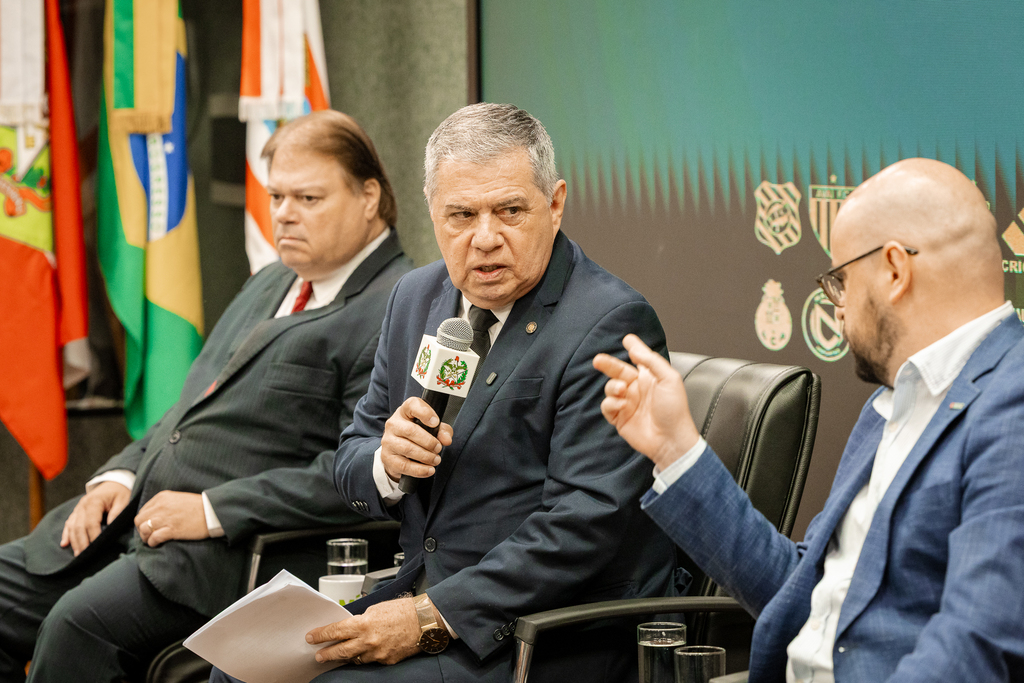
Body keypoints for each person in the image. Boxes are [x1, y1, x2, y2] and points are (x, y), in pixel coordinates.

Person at [210, 103, 677, 683]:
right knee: (239, 670)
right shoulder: (415, 296)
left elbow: (583, 522)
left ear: (554, 205)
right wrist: (386, 463)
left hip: (538, 631)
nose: (484, 238)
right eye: (460, 215)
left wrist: (428, 617)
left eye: (509, 211)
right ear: (433, 213)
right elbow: (353, 450)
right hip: (413, 594)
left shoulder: (607, 321)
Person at [0, 109, 414, 683]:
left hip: (228, 553)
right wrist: (117, 476)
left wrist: (213, 511)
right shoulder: (273, 279)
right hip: (133, 515)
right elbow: (191, 406)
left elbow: (360, 472)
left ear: (369, 197)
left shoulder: (399, 305)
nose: (284, 216)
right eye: (276, 197)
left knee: (75, 629)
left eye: (308, 199)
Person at [595, 158, 1024, 682]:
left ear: (894, 270)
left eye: (841, 281)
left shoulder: (1012, 405)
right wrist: (676, 450)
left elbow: (975, 649)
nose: (837, 310)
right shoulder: (891, 403)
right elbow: (802, 593)